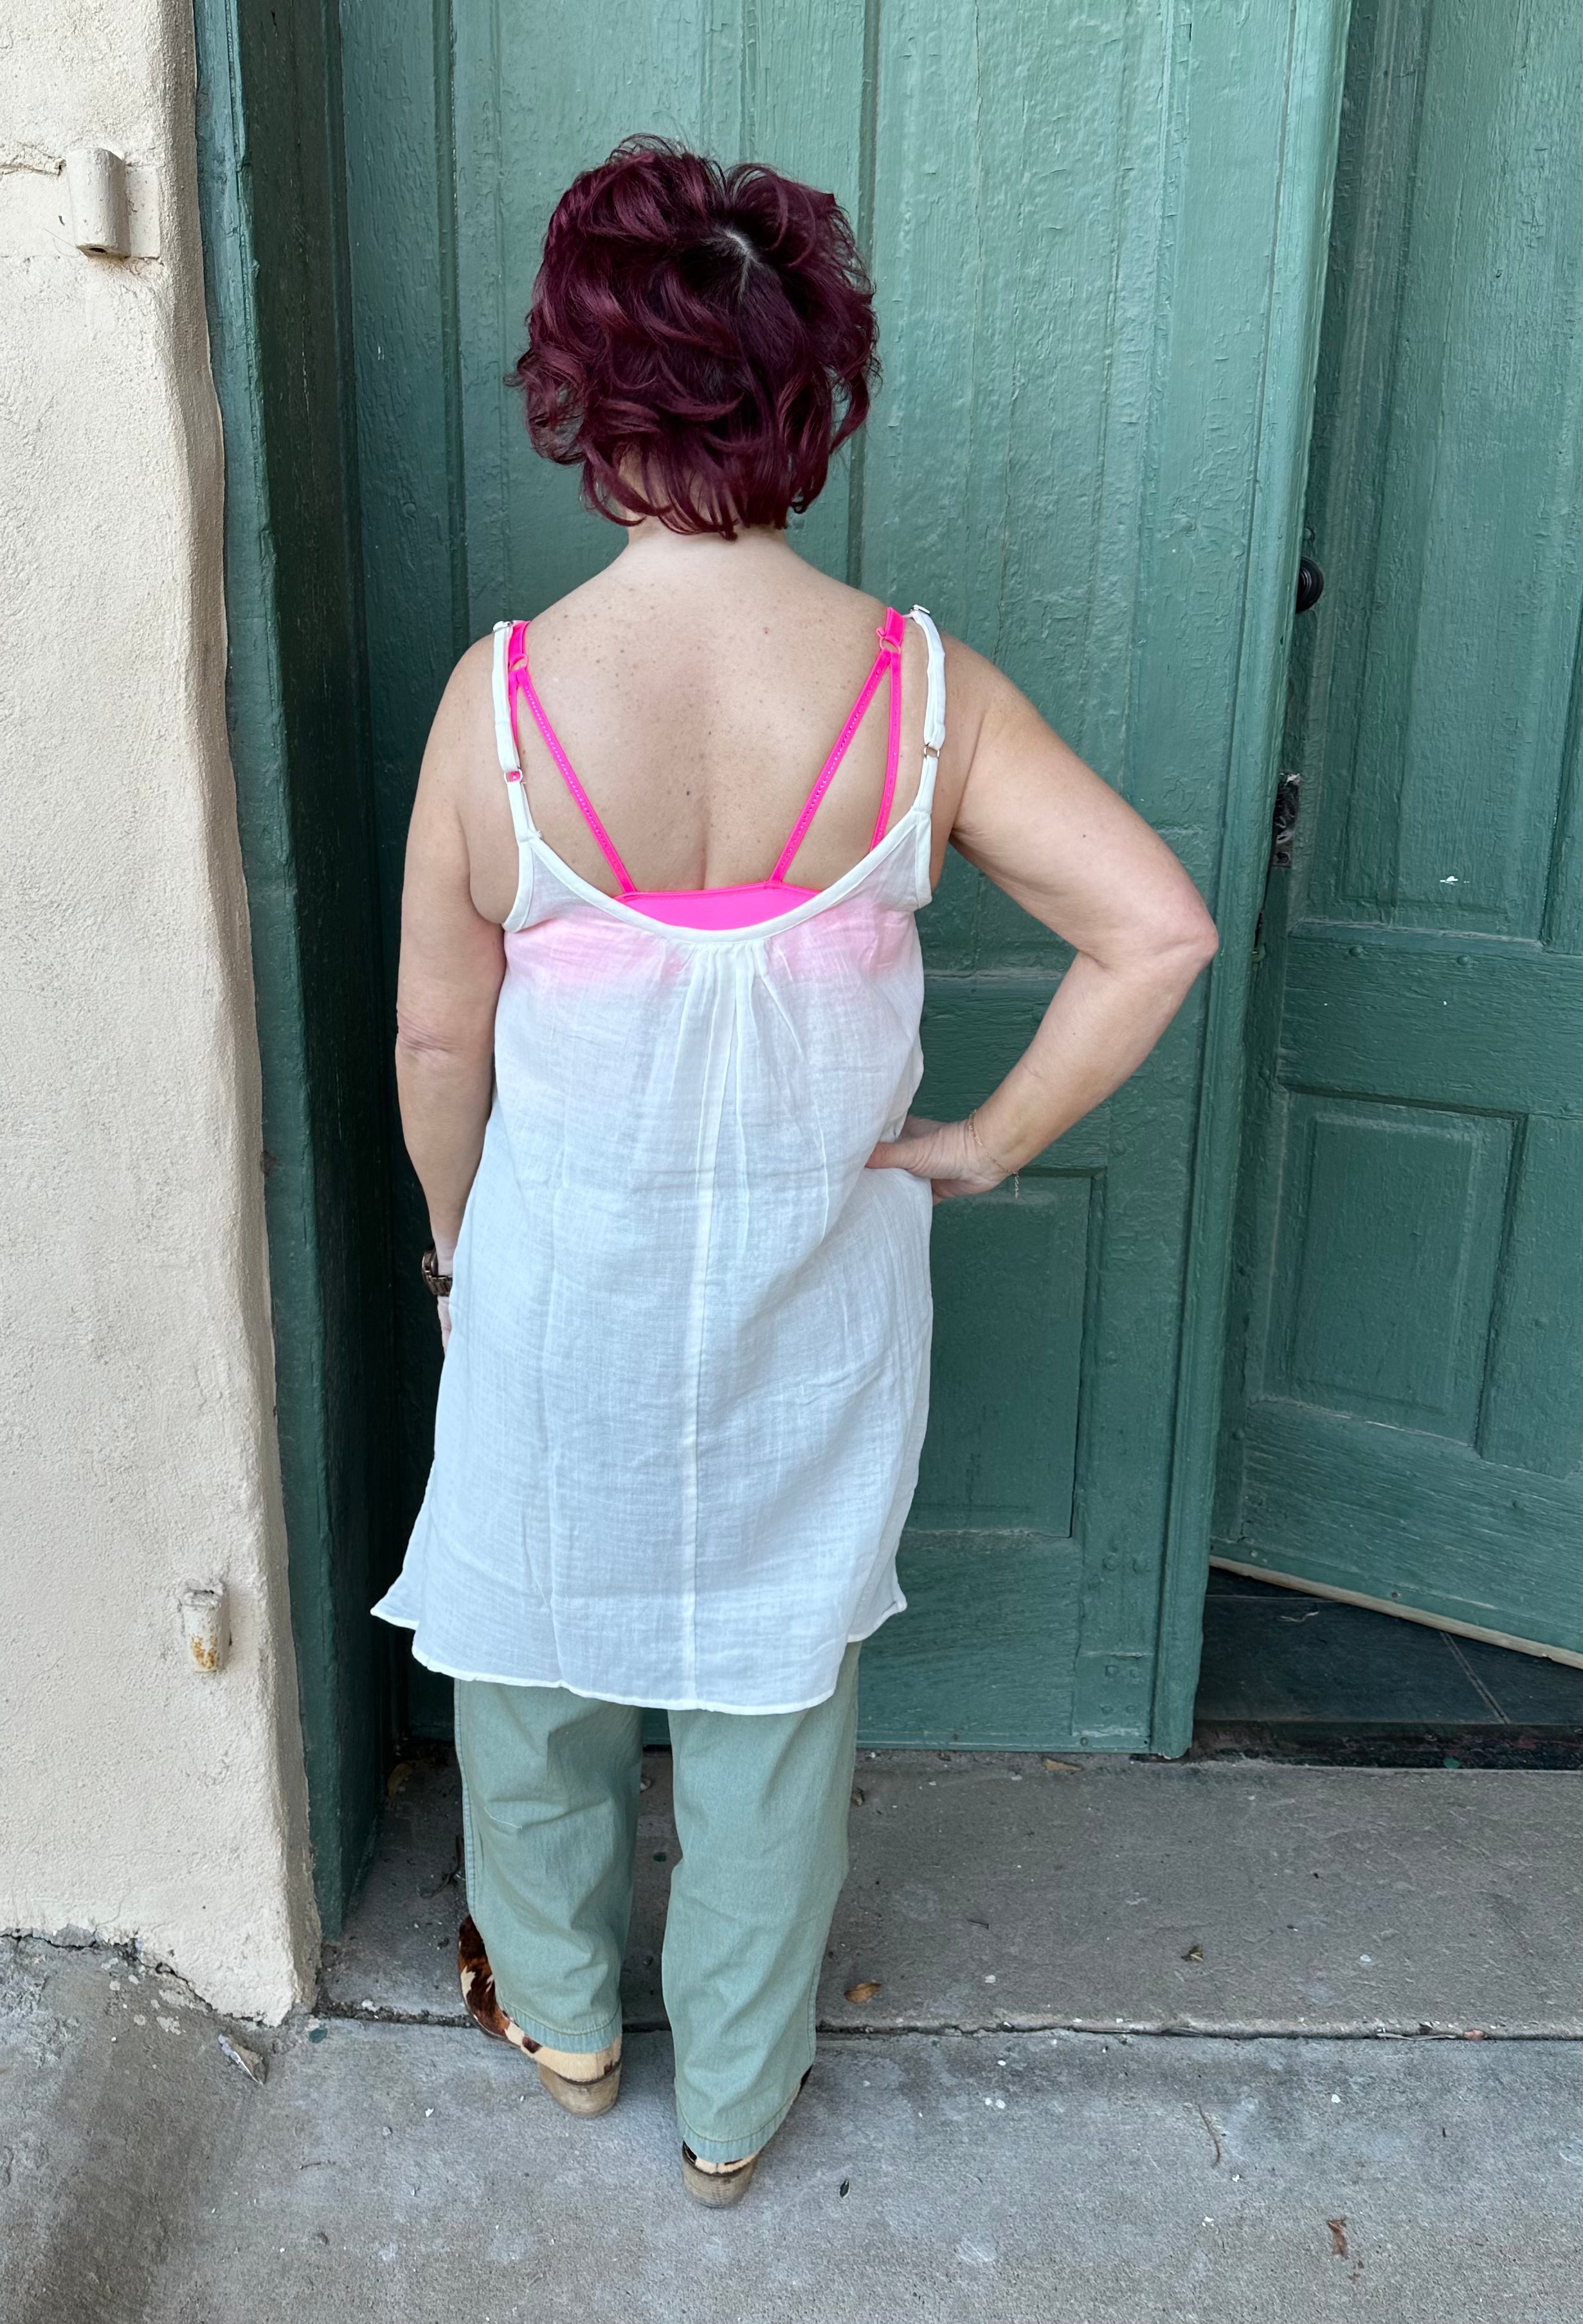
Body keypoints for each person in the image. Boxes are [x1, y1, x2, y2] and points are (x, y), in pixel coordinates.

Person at [375, 136, 1217, 2205]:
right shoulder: (924, 698)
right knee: (774, 1715)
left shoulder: (502, 708)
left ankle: (567, 2023)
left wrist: (453, 1241)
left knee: (532, 1679)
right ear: (806, 396)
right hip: (816, 1311)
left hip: (559, 1299)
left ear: (582, 396)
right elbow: (1159, 930)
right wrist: (982, 1145)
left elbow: (436, 1043)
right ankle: (735, 2111)